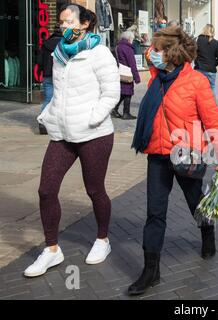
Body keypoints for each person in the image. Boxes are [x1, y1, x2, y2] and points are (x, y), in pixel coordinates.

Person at [128, 27, 218, 296]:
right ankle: (151, 270)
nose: (154, 53)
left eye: (159, 49)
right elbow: (150, 58)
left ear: (172, 53)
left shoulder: (196, 81)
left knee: (195, 203)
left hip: (187, 156)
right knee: (154, 212)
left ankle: (207, 232)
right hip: (158, 155)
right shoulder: (156, 78)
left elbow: (214, 122)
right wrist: (158, 42)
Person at [26, 4, 120, 277]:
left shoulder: (99, 53)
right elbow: (59, 92)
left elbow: (111, 92)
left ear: (84, 24)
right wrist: (50, 114)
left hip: (94, 134)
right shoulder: (58, 54)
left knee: (94, 190)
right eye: (62, 23)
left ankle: (103, 240)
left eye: (69, 23)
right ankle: (52, 250)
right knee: (46, 190)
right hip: (62, 133)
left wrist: (93, 117)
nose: (64, 27)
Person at [37, 26, 63, 135]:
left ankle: (42, 123)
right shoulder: (64, 44)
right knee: (61, 100)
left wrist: (43, 69)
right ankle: (57, 124)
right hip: (60, 75)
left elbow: (39, 61)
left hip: (47, 75)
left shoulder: (45, 44)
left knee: (48, 99)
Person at [111, 31, 141, 120]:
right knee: (128, 93)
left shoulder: (117, 47)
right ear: (129, 39)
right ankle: (126, 113)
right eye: (132, 39)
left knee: (123, 93)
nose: (132, 41)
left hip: (119, 73)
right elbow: (132, 64)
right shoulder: (128, 49)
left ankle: (114, 109)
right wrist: (137, 77)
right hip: (127, 74)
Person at [194, 24, 218, 96]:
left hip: (199, 68)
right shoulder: (215, 42)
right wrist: (213, 64)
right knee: (211, 87)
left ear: (204, 30)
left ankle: (199, 105)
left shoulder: (198, 40)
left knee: (198, 88)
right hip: (211, 69)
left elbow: (193, 53)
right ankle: (211, 105)